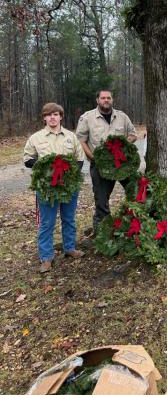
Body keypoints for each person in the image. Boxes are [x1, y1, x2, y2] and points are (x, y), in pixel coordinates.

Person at [23, 103, 85, 273]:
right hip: (47, 188)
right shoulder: (36, 138)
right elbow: (28, 159)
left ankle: (70, 248)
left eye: (55, 114)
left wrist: (69, 175)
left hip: (68, 187)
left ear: (61, 116)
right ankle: (46, 257)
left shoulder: (71, 137)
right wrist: (46, 166)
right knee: (47, 222)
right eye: (48, 115)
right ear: (44, 118)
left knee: (69, 219)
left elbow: (79, 159)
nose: (52, 117)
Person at [76, 90, 137, 232]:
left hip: (123, 164)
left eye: (108, 98)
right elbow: (80, 140)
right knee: (101, 200)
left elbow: (133, 135)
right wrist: (93, 157)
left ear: (112, 100)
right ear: (97, 100)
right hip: (100, 166)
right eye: (103, 98)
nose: (106, 100)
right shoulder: (87, 118)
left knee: (136, 191)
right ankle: (102, 231)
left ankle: (133, 223)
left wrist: (123, 146)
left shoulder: (121, 116)